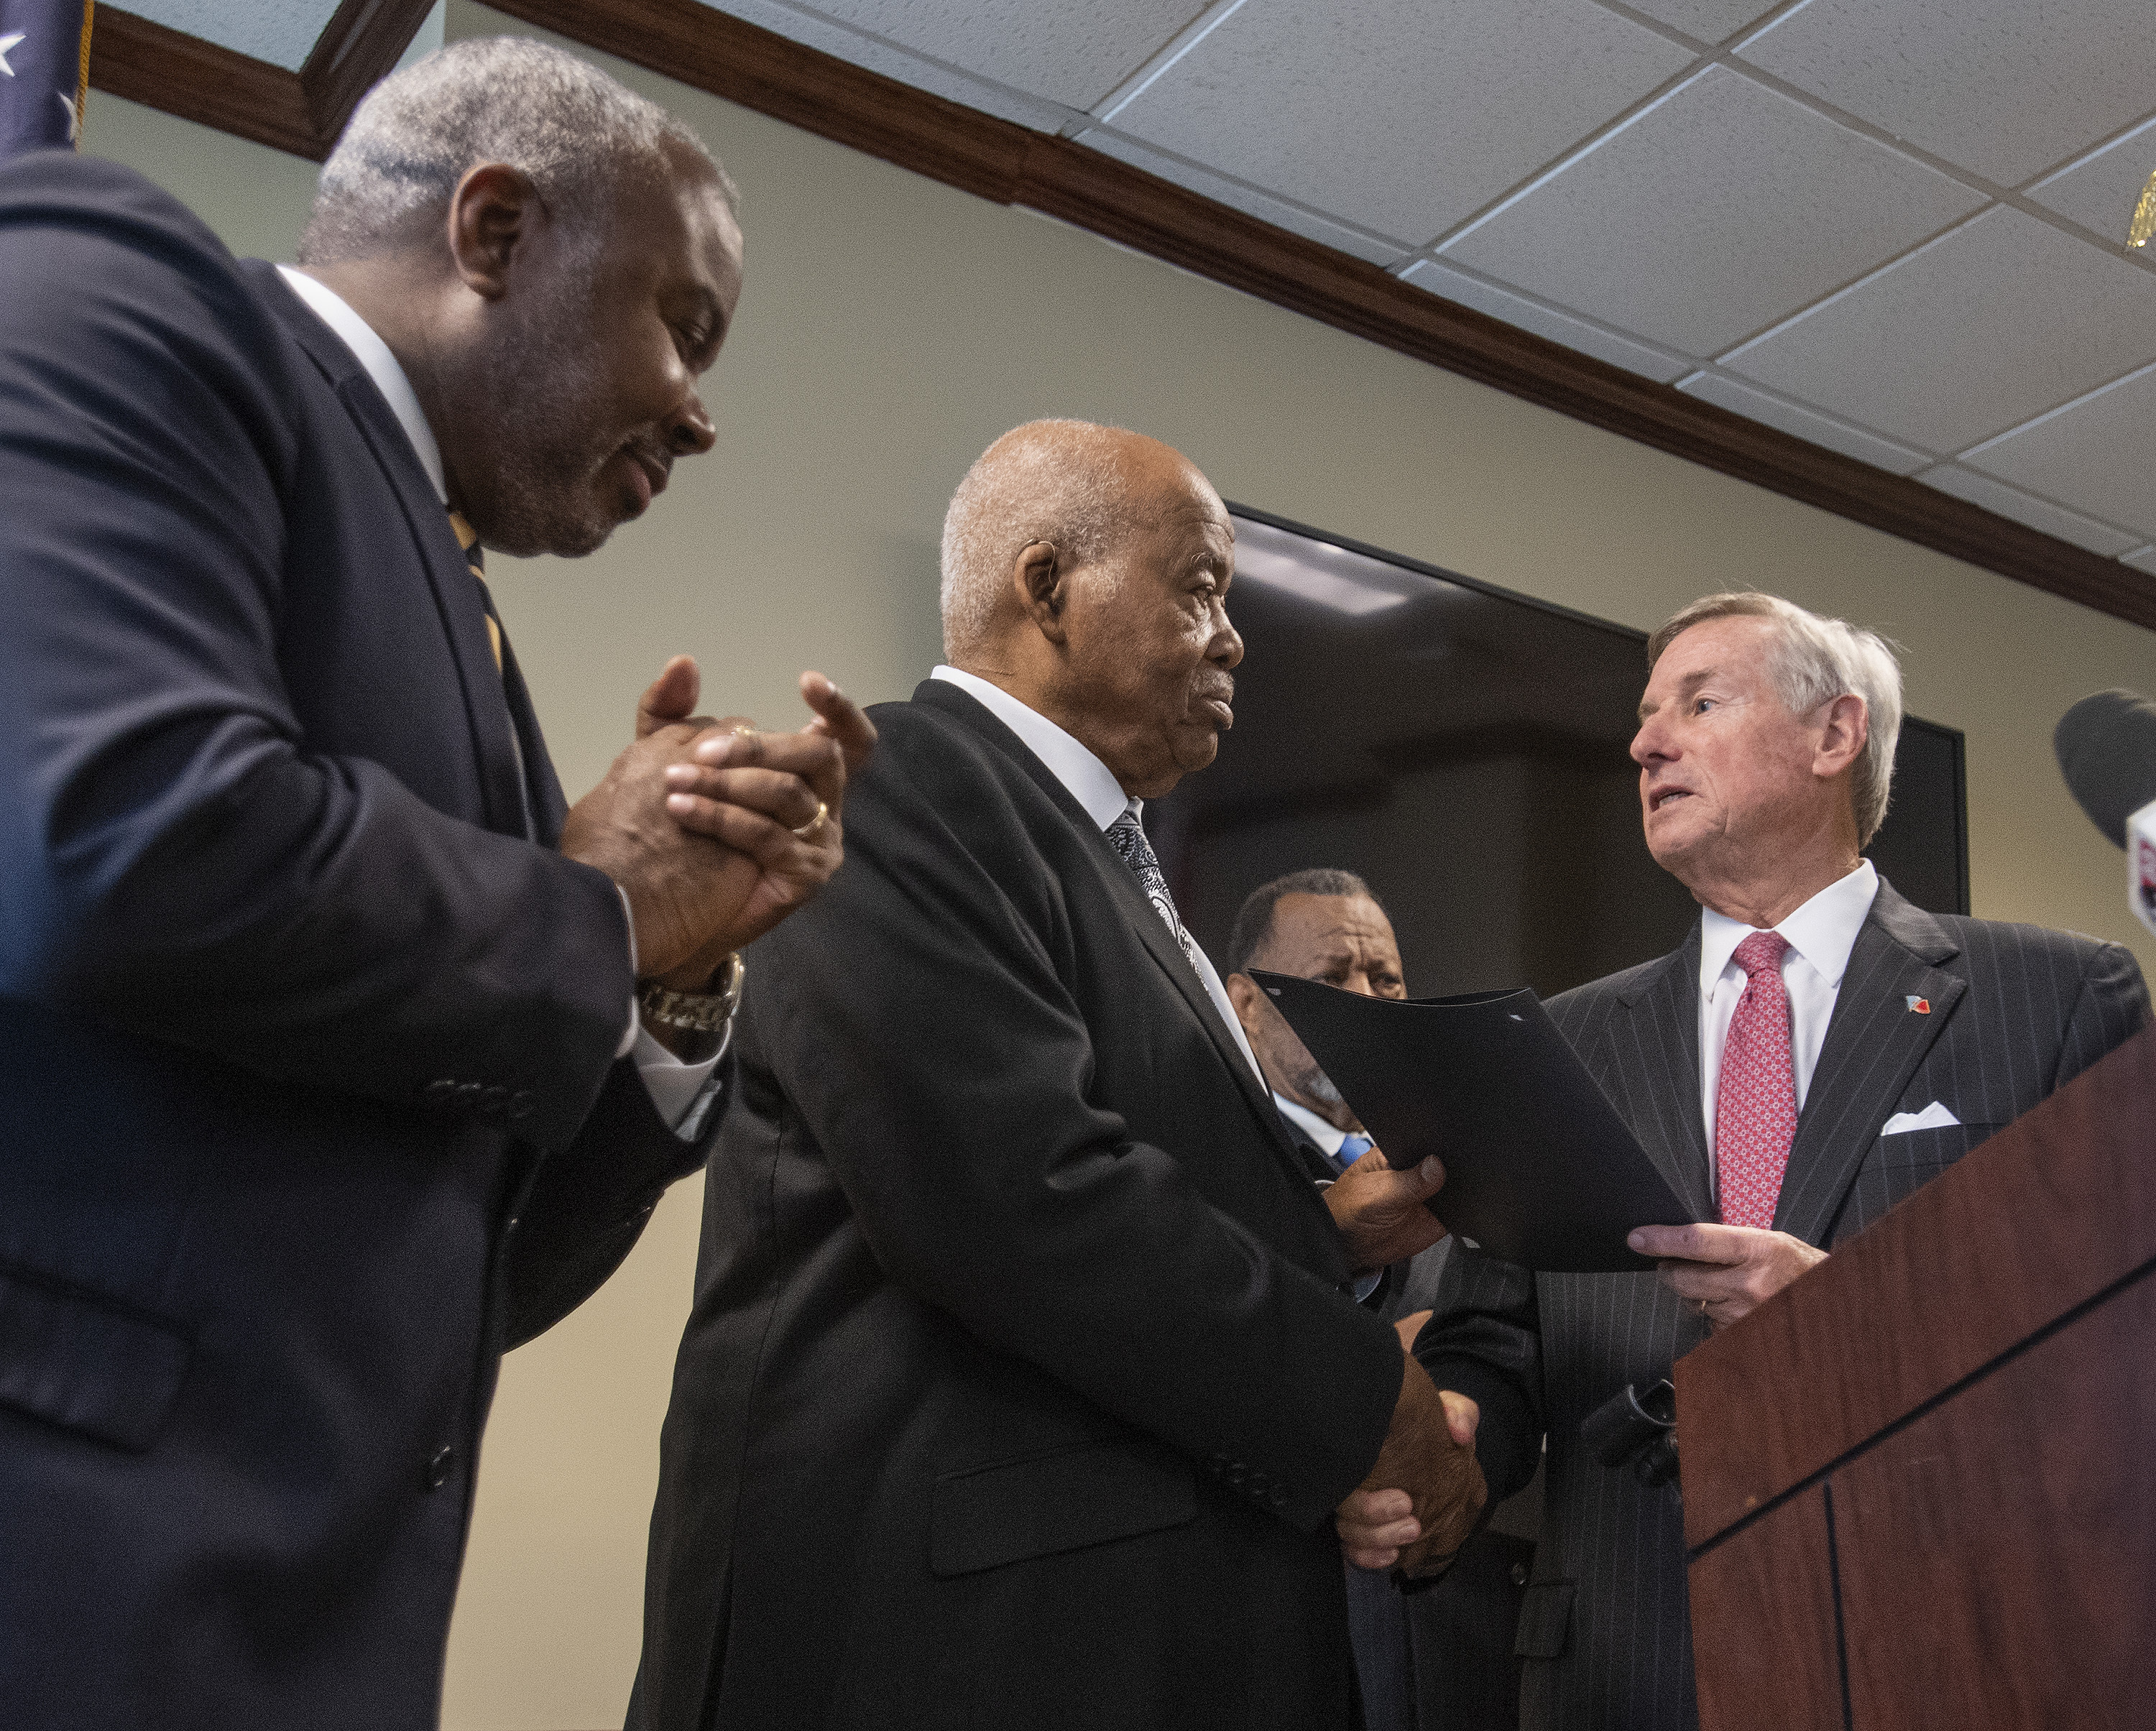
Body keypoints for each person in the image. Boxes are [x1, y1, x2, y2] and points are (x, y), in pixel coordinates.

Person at [0, 39, 873, 1730]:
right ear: (494, 230)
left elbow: (478, 1262)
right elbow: (108, 832)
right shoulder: (118, 290)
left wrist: (667, 977)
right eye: (685, 325)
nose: (702, 414)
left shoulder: (469, 638)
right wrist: (595, 909)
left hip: (299, 1633)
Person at [630, 420, 1483, 1731]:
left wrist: (1321, 1233)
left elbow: (1121, 1166)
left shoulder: (1111, 860)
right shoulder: (898, 784)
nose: (1232, 639)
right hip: (944, 1652)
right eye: (1200, 588)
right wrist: (1368, 1397)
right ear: (1047, 587)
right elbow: (1017, 1196)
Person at [1340, 591, 2150, 1731]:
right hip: (1624, 1673)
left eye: (1699, 703)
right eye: (1644, 715)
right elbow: (1496, 1342)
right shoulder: (1563, 1042)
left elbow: (2119, 1359)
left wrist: (1849, 1321)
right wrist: (1454, 1436)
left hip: (1943, 1655)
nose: (1645, 743)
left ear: (1835, 734)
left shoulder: (2057, 997)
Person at [1225, 872, 1536, 1731]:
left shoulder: (1473, 1160)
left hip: (1464, 1644)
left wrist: (1461, 1403)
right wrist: (1366, 1372)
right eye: (1332, 979)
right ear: (1246, 1005)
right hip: (1281, 1644)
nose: (1367, 1000)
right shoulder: (1209, 1164)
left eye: (1386, 979)